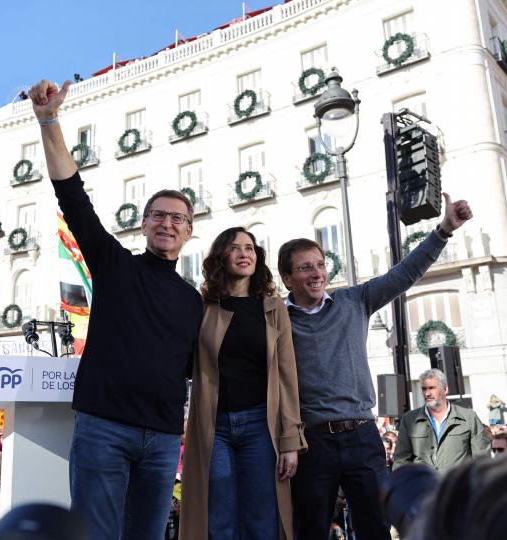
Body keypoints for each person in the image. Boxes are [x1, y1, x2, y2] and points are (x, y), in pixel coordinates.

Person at [28, 79, 202, 539]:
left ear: (189, 232)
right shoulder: (114, 264)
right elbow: (71, 194)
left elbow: (196, 370)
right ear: (144, 225)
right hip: (103, 430)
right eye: (159, 216)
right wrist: (49, 120)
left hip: (163, 441)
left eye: (178, 218)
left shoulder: (194, 301)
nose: (167, 223)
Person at [281, 193, 473, 540]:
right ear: (287, 278)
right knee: (309, 531)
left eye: (320, 264)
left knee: (375, 530)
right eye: (305, 267)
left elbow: (404, 274)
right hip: (312, 444)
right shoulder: (276, 320)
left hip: (362, 436)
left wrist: (444, 230)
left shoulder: (353, 300)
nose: (317, 273)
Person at [180, 227, 306, 539]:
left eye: (249, 248)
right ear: (221, 256)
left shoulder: (273, 308)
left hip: (260, 426)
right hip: (214, 428)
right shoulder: (203, 307)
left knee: (261, 520)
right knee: (220, 520)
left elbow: (288, 376)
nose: (244, 253)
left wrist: (291, 440)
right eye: (235, 248)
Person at [393, 369, 490, 471]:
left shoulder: (469, 417)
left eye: (432, 388)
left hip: (458, 485)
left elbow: (482, 458)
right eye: (424, 389)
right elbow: (401, 460)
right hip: (424, 485)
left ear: (445, 389)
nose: (427, 393)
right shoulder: (409, 419)